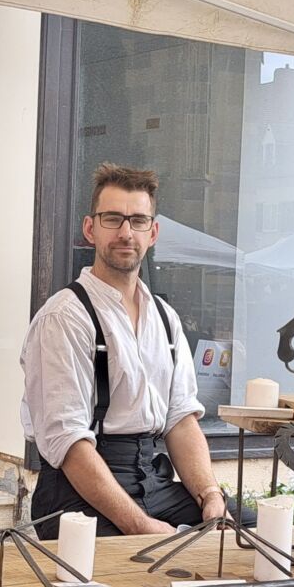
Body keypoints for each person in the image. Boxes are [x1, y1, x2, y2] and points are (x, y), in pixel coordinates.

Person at [21, 163, 230, 539]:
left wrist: (210, 495)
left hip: (152, 479)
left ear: (153, 233)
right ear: (90, 229)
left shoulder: (165, 319)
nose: (125, 233)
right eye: (112, 219)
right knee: (134, 568)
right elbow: (69, 442)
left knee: (247, 535)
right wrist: (141, 526)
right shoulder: (64, 317)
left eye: (137, 221)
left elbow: (180, 419)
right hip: (78, 490)